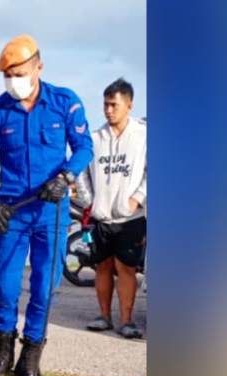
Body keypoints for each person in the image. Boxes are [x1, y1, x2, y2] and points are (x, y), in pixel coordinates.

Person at [0, 34, 94, 376]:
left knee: (44, 285)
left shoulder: (64, 102)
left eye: (20, 72)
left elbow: (84, 146)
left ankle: (31, 357)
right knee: (5, 284)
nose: (14, 81)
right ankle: (3, 350)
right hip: (12, 211)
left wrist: (66, 176)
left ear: (39, 67)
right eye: (7, 75)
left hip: (52, 211)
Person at [74, 79, 147, 339]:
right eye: (105, 105)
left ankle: (126, 320)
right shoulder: (93, 138)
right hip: (100, 216)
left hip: (131, 217)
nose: (108, 110)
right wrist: (88, 202)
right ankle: (104, 315)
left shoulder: (144, 134)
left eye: (114, 105)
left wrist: (137, 198)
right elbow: (81, 172)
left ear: (129, 105)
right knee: (102, 266)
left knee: (126, 267)